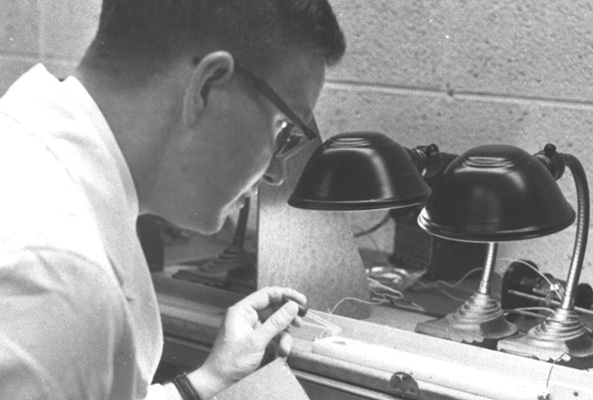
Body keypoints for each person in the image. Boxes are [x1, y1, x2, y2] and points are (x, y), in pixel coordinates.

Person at [0, 0, 345, 399]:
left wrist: (205, 383)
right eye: (285, 129)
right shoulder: (60, 269)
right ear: (207, 86)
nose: (276, 172)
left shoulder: (26, 151)